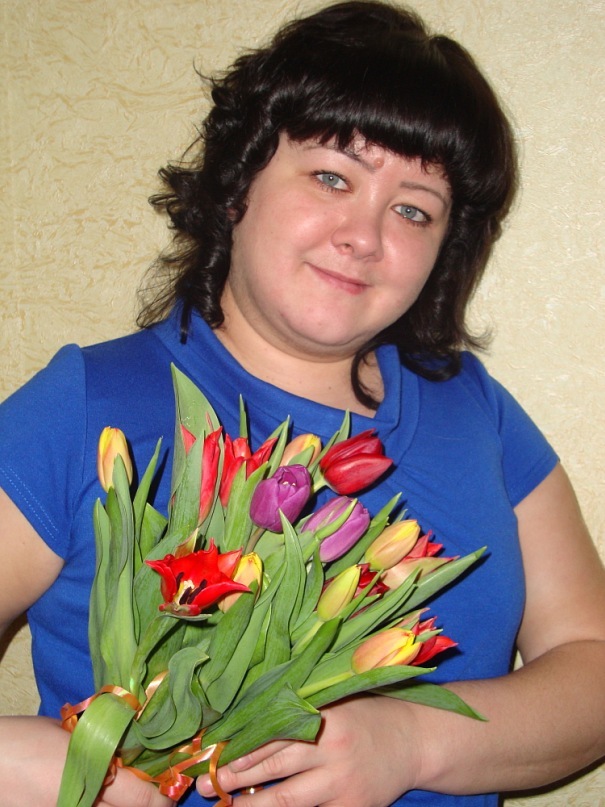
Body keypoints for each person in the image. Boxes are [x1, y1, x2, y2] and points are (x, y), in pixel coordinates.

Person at [1, 1, 604, 806]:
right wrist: (38, 769)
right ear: (237, 183)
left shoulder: (474, 411)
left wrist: (413, 741)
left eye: (413, 209)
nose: (364, 235)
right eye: (331, 177)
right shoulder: (87, 405)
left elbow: (591, 662)